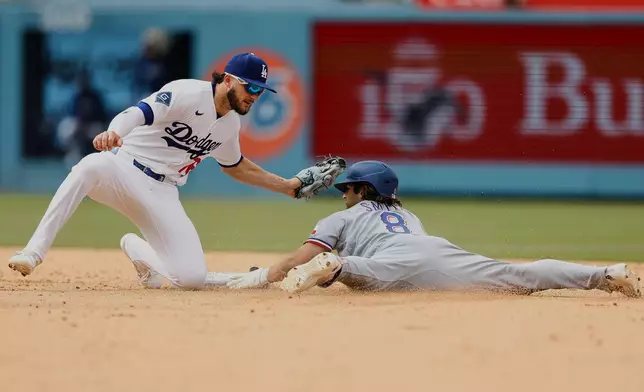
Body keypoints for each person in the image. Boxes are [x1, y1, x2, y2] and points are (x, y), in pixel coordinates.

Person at [8, 52, 344, 290]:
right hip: (122, 169)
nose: (256, 96)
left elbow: (237, 168)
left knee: (192, 278)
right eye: (251, 87)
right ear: (228, 80)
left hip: (162, 192)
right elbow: (137, 113)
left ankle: (137, 250)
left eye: (261, 90)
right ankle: (33, 253)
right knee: (87, 167)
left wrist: (288, 185)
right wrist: (114, 132)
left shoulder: (229, 126)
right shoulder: (186, 92)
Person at [224, 160, 642, 298]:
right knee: (519, 275)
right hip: (436, 250)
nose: (342, 193)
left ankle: (336, 267)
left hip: (391, 260)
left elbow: (301, 257)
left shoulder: (343, 217)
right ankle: (605, 275)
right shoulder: (407, 215)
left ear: (363, 189)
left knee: (357, 273)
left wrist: (263, 277)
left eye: (347, 187)